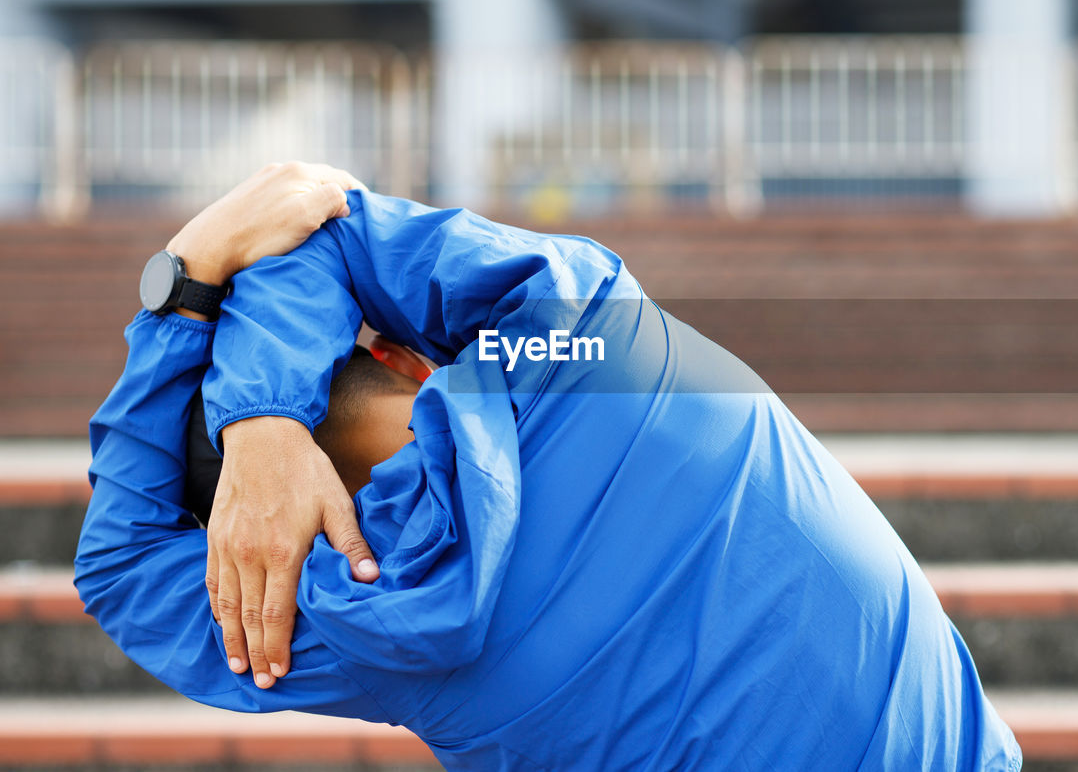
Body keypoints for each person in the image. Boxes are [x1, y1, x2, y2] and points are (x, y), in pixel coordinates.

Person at [77, 162, 1023, 771]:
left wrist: (241, 425)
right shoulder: (581, 330)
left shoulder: (357, 621)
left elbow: (116, 567)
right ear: (404, 357)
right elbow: (319, 217)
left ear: (248, 547)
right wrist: (219, 322)